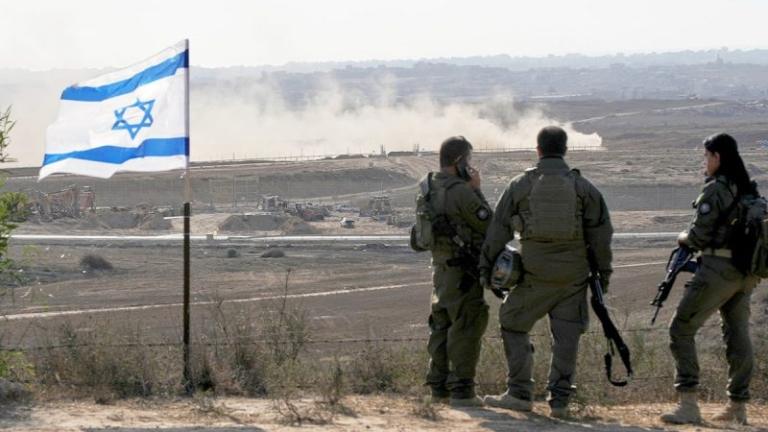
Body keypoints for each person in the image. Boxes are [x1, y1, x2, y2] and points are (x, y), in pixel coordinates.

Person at [479, 126, 613, 418]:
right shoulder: (584, 188)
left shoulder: (520, 185)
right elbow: (602, 236)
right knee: (567, 337)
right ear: (565, 150)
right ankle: (560, 401)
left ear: (538, 150)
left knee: (512, 321)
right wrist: (603, 274)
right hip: (573, 278)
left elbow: (498, 230)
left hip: (534, 276)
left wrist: (487, 271)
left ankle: (519, 393)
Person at [661, 133, 760, 425]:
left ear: (717, 157)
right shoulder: (748, 188)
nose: (704, 161)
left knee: (681, 328)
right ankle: (737, 407)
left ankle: (688, 404)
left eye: (706, 156)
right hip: (746, 275)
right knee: (737, 334)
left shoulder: (716, 189)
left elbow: (697, 236)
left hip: (718, 271)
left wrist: (682, 237)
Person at [420, 136, 493, 407]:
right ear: (460, 162)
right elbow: (490, 224)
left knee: (441, 327)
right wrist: (477, 190)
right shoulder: (461, 192)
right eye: (468, 161)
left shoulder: (427, 189)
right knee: (467, 325)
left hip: (439, 271)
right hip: (462, 274)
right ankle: (463, 391)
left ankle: (438, 389)